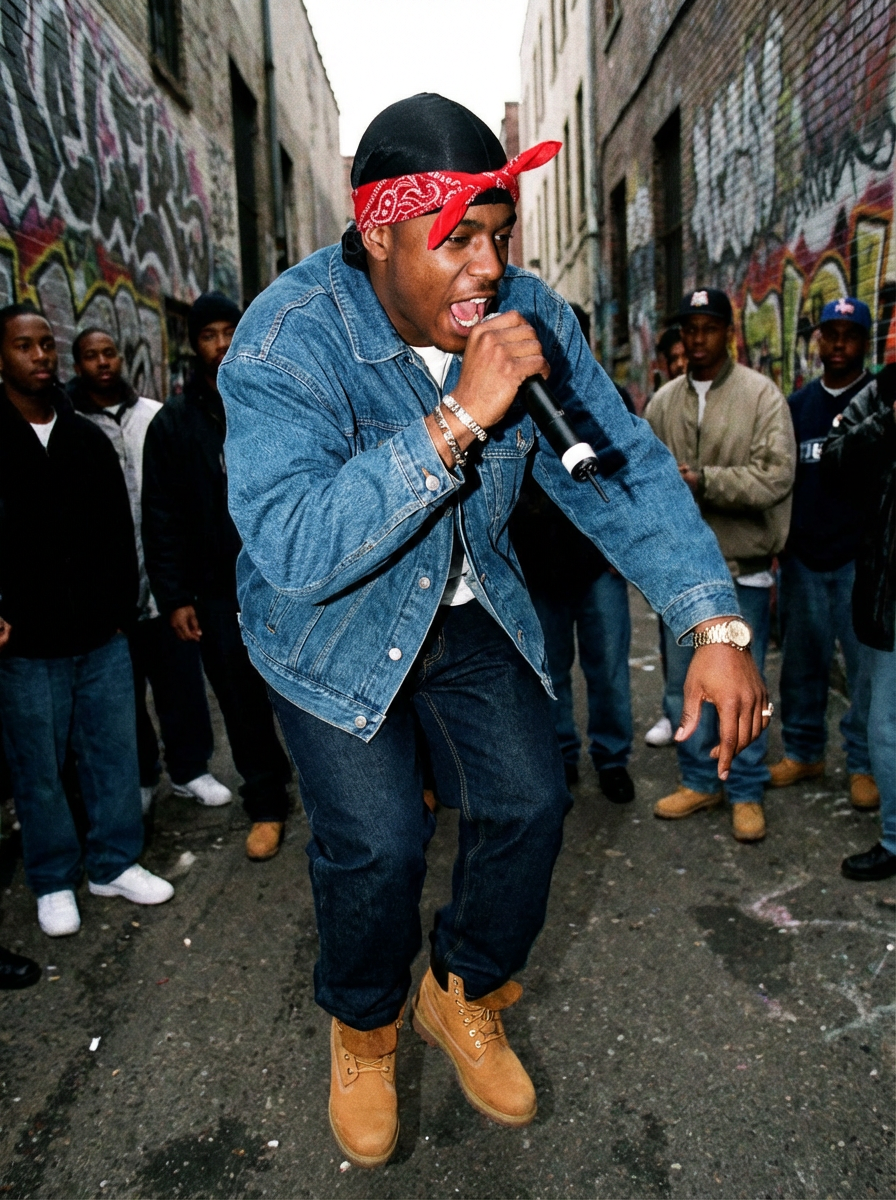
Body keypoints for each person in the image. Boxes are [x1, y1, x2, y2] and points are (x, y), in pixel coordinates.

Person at [217, 94, 770, 1169]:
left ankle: (460, 987)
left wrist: (713, 620)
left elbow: (619, 466)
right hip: (328, 631)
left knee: (528, 800)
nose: (488, 269)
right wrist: (458, 419)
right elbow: (292, 546)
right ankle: (365, 1024)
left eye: (501, 235)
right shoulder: (284, 341)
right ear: (379, 234)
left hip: (468, 608)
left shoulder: (529, 314)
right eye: (458, 239)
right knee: (378, 845)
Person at [0, 305, 173, 937]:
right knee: (39, 769)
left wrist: (121, 611)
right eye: (25, 346)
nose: (40, 356)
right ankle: (52, 879)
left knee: (112, 755)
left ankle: (113, 863)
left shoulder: (84, 438)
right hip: (27, 644)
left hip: (102, 636)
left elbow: (117, 533)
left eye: (47, 344)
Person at [142, 293, 292, 862]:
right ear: (194, 345)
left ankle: (349, 793)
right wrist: (175, 597)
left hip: (286, 575)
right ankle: (266, 803)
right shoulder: (173, 424)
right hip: (217, 590)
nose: (223, 343)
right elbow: (159, 516)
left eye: (231, 330)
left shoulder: (273, 399)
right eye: (209, 334)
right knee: (240, 700)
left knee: (308, 691)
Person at [647, 287, 796, 842]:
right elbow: (642, 479)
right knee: (681, 683)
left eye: (708, 327)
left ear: (729, 333)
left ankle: (746, 789)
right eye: (690, 329)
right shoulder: (663, 402)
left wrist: (704, 481)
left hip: (741, 569)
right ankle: (698, 780)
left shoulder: (761, 395)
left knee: (743, 687)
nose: (697, 338)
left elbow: (776, 476)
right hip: (682, 575)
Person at [69, 329, 230, 814]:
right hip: (108, 589)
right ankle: (141, 776)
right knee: (124, 694)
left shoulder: (154, 416)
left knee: (179, 681)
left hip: (162, 579)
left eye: (109, 353)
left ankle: (190, 770)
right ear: (77, 365)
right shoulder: (71, 424)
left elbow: (171, 505)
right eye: (91, 356)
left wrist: (178, 585)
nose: (103, 362)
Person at [511, 305, 634, 803]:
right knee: (551, 672)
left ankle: (612, 759)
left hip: (597, 564)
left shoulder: (608, 398)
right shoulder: (511, 401)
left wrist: (621, 549)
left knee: (609, 670)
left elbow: (629, 473)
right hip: (539, 566)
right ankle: (562, 756)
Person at [769, 299, 877, 809]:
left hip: (861, 562)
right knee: (801, 665)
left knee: (864, 672)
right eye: (829, 334)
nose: (837, 344)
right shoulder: (796, 407)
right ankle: (804, 751)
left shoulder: (876, 402)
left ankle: (864, 764)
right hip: (804, 559)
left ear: (864, 342)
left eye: (849, 335)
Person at [822, 362, 896, 881]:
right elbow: (834, 461)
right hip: (891, 592)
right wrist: (890, 421)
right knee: (886, 723)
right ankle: (894, 840)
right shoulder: (883, 391)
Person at [643, 324, 687, 748]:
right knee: (672, 641)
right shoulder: (660, 405)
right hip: (670, 550)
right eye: (673, 358)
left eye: (683, 355)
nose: (680, 364)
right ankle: (675, 715)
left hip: (724, 549)